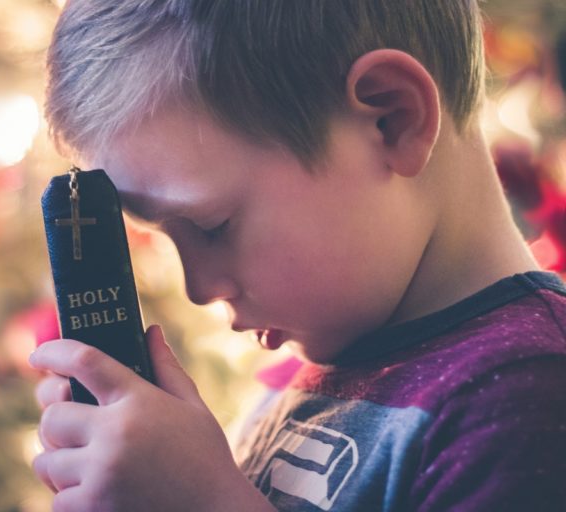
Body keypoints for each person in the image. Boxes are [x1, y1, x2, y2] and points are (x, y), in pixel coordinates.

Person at [29, 1, 566, 510]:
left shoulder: (529, 394)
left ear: (391, 120)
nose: (198, 289)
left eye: (214, 227)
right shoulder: (303, 382)